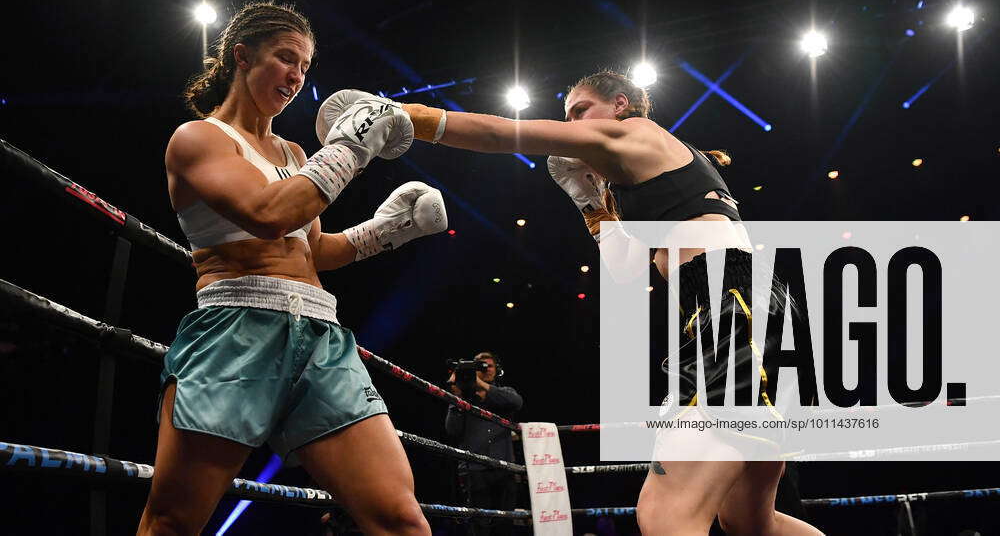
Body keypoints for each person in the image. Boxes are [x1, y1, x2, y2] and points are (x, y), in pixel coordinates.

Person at [316, 75, 822, 535]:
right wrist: (592, 205)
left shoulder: (638, 132)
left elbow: (503, 134)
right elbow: (626, 271)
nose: (571, 124)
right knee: (750, 524)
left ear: (619, 105)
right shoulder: (639, 180)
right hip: (741, 312)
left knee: (666, 513)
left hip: (732, 311)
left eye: (580, 110)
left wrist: (400, 114)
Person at [138, 1, 446, 536]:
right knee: (174, 521)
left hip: (321, 337)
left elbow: (314, 251)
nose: (296, 76)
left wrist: (389, 229)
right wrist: (352, 146)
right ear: (242, 56)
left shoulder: (295, 152)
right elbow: (268, 216)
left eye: (304, 67)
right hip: (237, 329)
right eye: (285, 58)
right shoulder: (199, 139)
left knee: (400, 518)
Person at [445, 352, 523, 535]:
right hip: (474, 470)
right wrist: (457, 398)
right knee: (479, 525)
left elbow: (516, 402)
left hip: (504, 468)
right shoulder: (463, 397)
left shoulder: (505, 393)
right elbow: (452, 430)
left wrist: (480, 384)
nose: (486, 369)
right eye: (480, 366)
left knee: (505, 523)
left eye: (489, 366)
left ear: (498, 371)